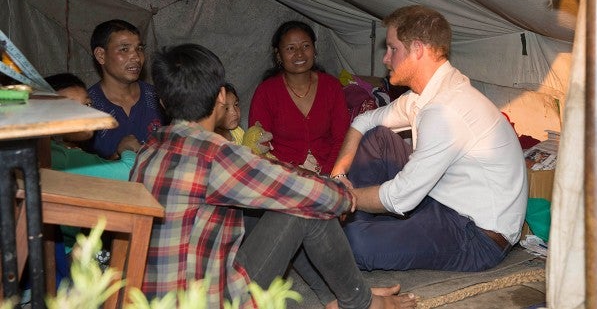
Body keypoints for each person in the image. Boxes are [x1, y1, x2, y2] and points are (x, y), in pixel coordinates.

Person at [130, 43, 415, 309]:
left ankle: (335, 298)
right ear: (221, 97)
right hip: (206, 301)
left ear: (163, 102)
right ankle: (361, 302)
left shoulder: (149, 150)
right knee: (306, 205)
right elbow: (306, 192)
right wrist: (344, 195)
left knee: (278, 202)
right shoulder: (215, 155)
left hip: (152, 300)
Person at [330, 5, 528, 272]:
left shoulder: (446, 110)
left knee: (356, 244)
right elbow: (363, 122)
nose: (386, 58)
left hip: (479, 235)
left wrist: (344, 197)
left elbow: (400, 198)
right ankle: (357, 221)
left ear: (417, 49)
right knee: (377, 137)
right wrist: (339, 176)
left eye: (393, 49)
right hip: (440, 201)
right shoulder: (424, 96)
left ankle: (355, 224)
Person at [249, 21, 349, 176]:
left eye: (306, 46)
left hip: (331, 170)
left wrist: (328, 175)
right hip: (282, 173)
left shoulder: (331, 86)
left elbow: (342, 139)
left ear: (314, 50)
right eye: (290, 48)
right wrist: (294, 172)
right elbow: (258, 145)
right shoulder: (266, 92)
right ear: (278, 55)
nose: (300, 54)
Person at [88, 19, 165, 159]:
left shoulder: (159, 98)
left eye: (139, 49)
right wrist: (118, 155)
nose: (136, 57)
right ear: (101, 55)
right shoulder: (87, 107)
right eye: (124, 49)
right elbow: (78, 167)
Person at [45, 73, 139, 181]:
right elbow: (131, 172)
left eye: (87, 104)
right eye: (71, 108)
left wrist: (109, 163)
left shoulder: (51, 149)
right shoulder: (63, 156)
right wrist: (127, 148)